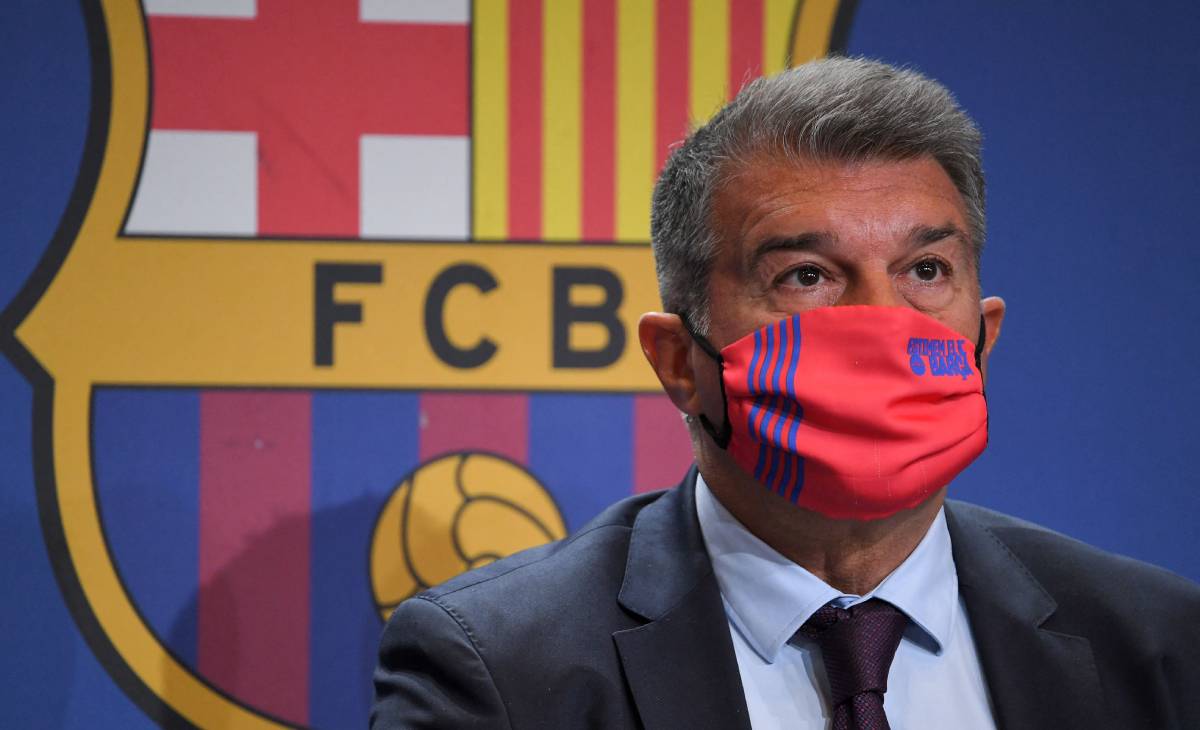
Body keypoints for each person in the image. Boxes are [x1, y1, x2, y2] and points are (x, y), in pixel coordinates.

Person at [371, 57, 1200, 729]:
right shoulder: (502, 670)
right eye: (807, 275)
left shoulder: (1160, 645)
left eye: (925, 270)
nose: (882, 323)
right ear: (677, 361)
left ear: (984, 339)